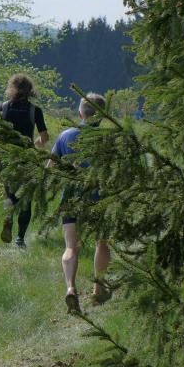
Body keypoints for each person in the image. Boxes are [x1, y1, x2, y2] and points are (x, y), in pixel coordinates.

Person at [46, 93, 110, 314]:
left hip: (71, 197)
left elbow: (49, 168)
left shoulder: (64, 136)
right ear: (102, 116)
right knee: (102, 242)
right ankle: (98, 289)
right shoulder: (106, 139)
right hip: (98, 197)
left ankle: (71, 288)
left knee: (71, 247)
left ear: (80, 113)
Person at [0, 74, 49, 248]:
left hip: (7, 159)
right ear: (30, 90)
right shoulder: (35, 110)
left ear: (11, 88)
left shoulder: (3, 107)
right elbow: (44, 137)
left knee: (10, 195)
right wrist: (37, 143)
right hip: (27, 160)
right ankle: (20, 239)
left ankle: (8, 215)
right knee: (26, 198)